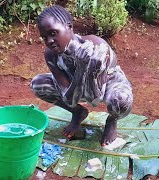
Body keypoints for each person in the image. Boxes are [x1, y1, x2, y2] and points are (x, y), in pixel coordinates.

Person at [30, 5, 133, 146]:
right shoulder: (51, 55)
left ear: (69, 27)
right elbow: (69, 99)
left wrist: (87, 68)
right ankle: (78, 113)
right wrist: (81, 69)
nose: (49, 41)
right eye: (44, 37)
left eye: (53, 33)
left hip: (108, 85)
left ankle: (112, 120)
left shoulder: (97, 48)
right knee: (38, 84)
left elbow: (95, 99)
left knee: (120, 102)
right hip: (76, 86)